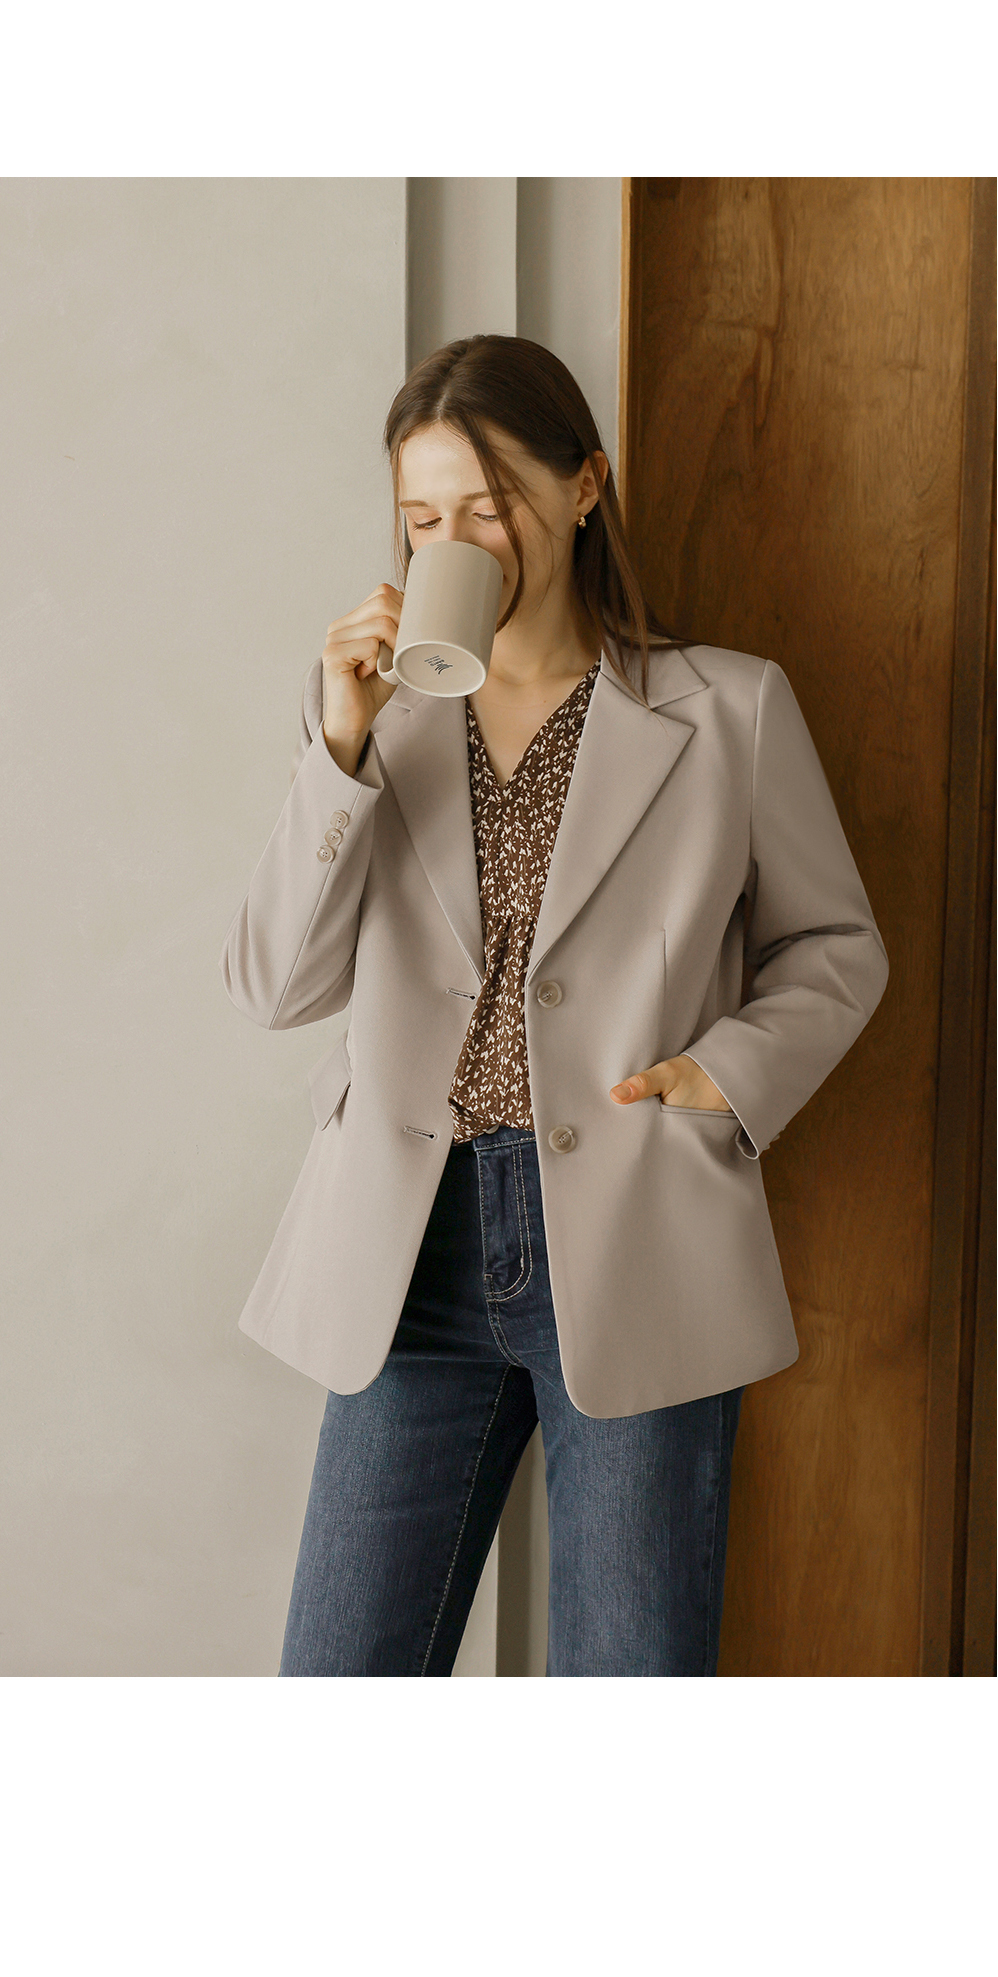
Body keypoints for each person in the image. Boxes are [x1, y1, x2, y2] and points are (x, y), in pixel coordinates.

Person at [220, 334, 889, 1677]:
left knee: (626, 1682)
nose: (452, 543)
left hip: (639, 1227)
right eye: (422, 519)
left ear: (584, 487)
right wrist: (341, 749)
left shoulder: (729, 707)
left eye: (488, 507)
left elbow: (835, 946)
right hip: (408, 1250)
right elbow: (276, 984)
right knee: (339, 1677)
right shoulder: (367, 719)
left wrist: (726, 1075)